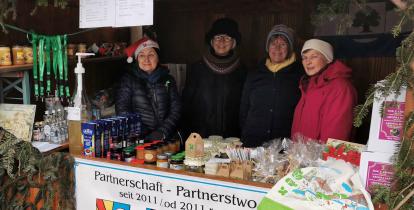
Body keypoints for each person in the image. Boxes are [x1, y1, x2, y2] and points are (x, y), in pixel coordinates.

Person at [181, 18, 246, 138]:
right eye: (217, 37)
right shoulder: (197, 69)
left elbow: (246, 107)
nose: (221, 41)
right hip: (201, 137)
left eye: (227, 37)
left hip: (232, 138)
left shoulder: (243, 71)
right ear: (211, 41)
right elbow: (186, 104)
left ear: (233, 43)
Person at [240, 24, 304, 147]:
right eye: (273, 43)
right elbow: (244, 108)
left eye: (283, 44)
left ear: (290, 48)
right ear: (267, 46)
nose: (277, 48)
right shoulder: (255, 73)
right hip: (253, 141)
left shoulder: (299, 74)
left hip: (284, 144)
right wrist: (246, 131)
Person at [291, 39, 357, 143]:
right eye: (304, 58)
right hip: (302, 156)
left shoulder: (341, 87)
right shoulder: (308, 85)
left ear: (327, 59)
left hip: (320, 157)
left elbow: (336, 134)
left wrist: (322, 158)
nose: (308, 62)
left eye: (314, 56)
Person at [115, 37, 181, 140]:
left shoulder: (168, 80)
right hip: (139, 139)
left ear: (158, 58)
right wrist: (144, 133)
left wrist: (162, 132)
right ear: (137, 59)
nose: (146, 59)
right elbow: (122, 110)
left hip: (166, 138)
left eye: (151, 54)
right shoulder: (128, 80)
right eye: (141, 55)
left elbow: (176, 110)